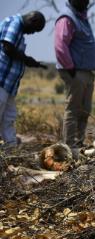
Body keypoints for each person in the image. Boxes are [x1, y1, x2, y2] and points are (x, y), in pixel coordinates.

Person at [54, 0, 95, 148]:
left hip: (86, 72)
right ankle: (69, 146)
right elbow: (60, 45)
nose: (86, 2)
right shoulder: (67, 18)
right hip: (75, 71)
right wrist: (70, 68)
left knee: (85, 109)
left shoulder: (81, 18)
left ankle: (78, 143)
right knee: (73, 109)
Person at [0, 11, 47, 149]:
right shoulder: (14, 23)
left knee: (8, 118)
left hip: (8, 85)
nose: (32, 33)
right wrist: (26, 59)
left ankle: (11, 150)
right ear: (32, 20)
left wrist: (29, 62)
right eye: (34, 30)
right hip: (1, 80)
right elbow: (8, 48)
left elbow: (14, 52)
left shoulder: (19, 29)